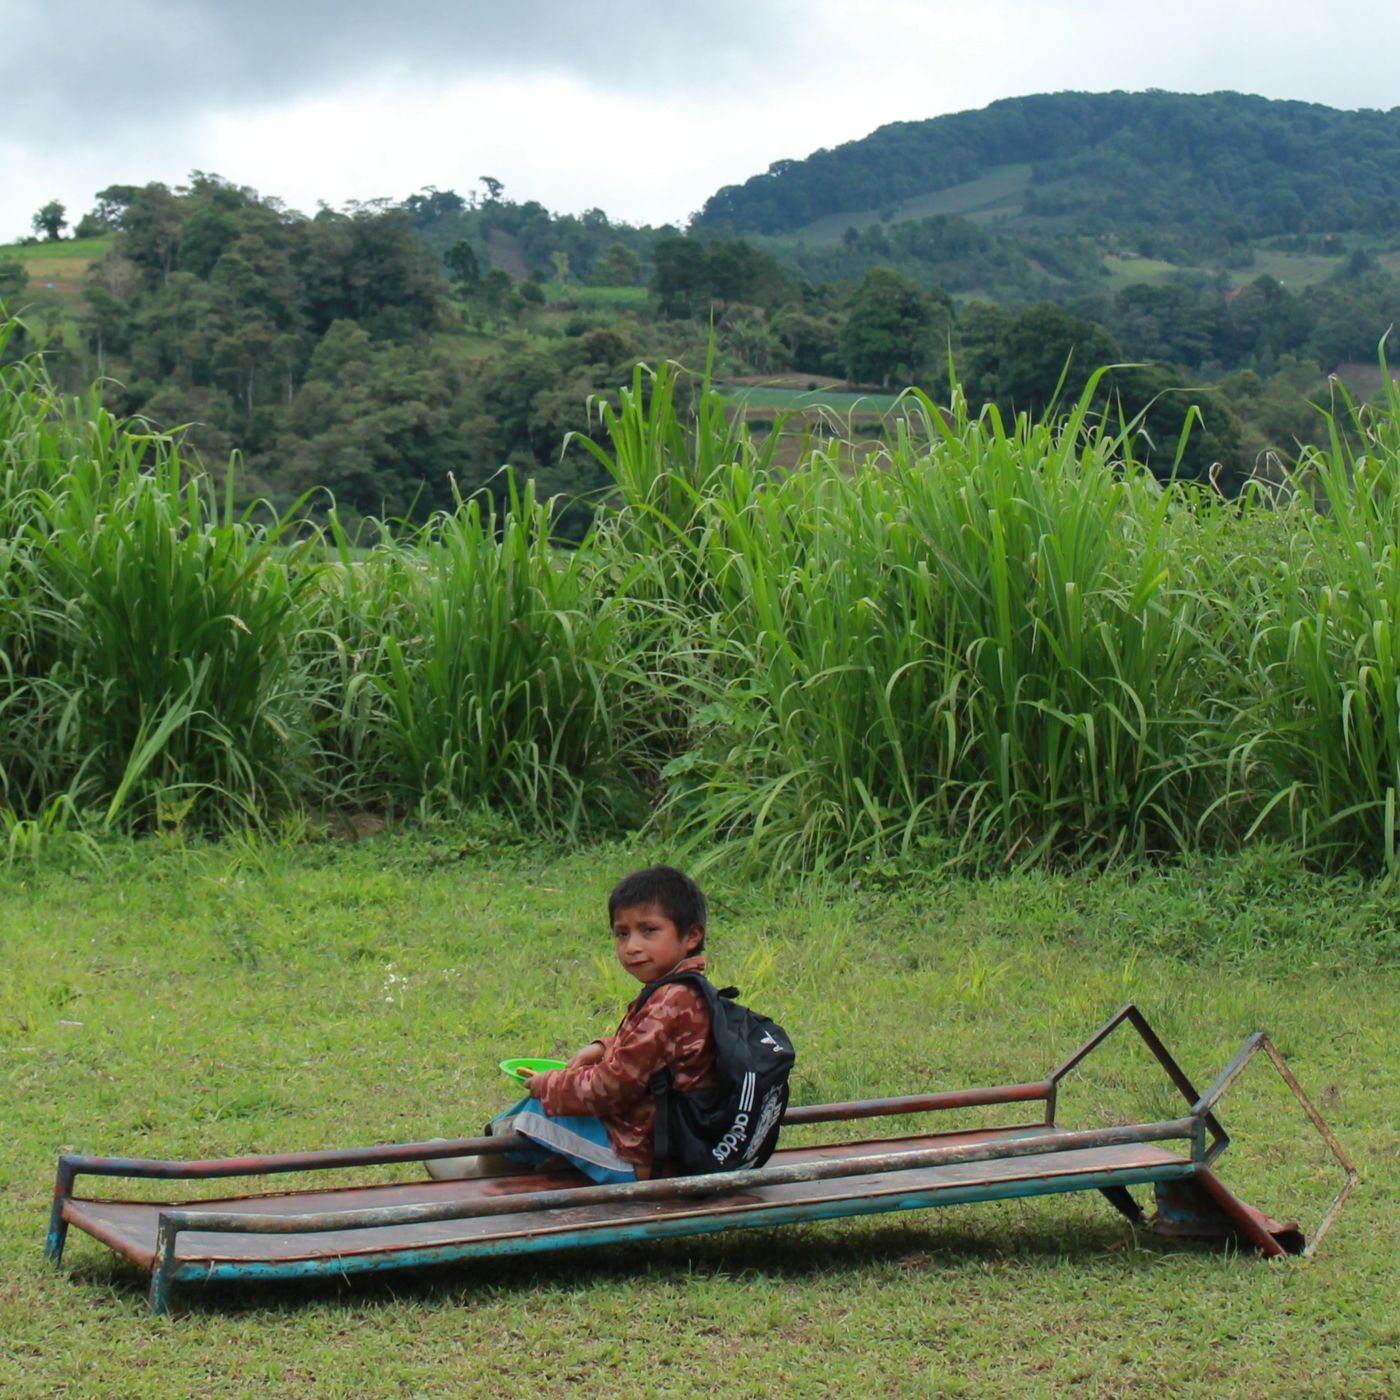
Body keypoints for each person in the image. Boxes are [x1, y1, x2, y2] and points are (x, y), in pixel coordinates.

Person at [430, 864, 716, 1185]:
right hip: (673, 1144)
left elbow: (611, 1090)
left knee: (536, 1114)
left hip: (646, 1161)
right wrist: (601, 1048)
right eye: (622, 933)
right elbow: (653, 1053)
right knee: (562, 1106)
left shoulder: (668, 1002)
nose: (632, 946)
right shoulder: (689, 991)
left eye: (649, 930)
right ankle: (533, 1168)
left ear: (691, 936)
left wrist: (549, 1085)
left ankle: (480, 1175)